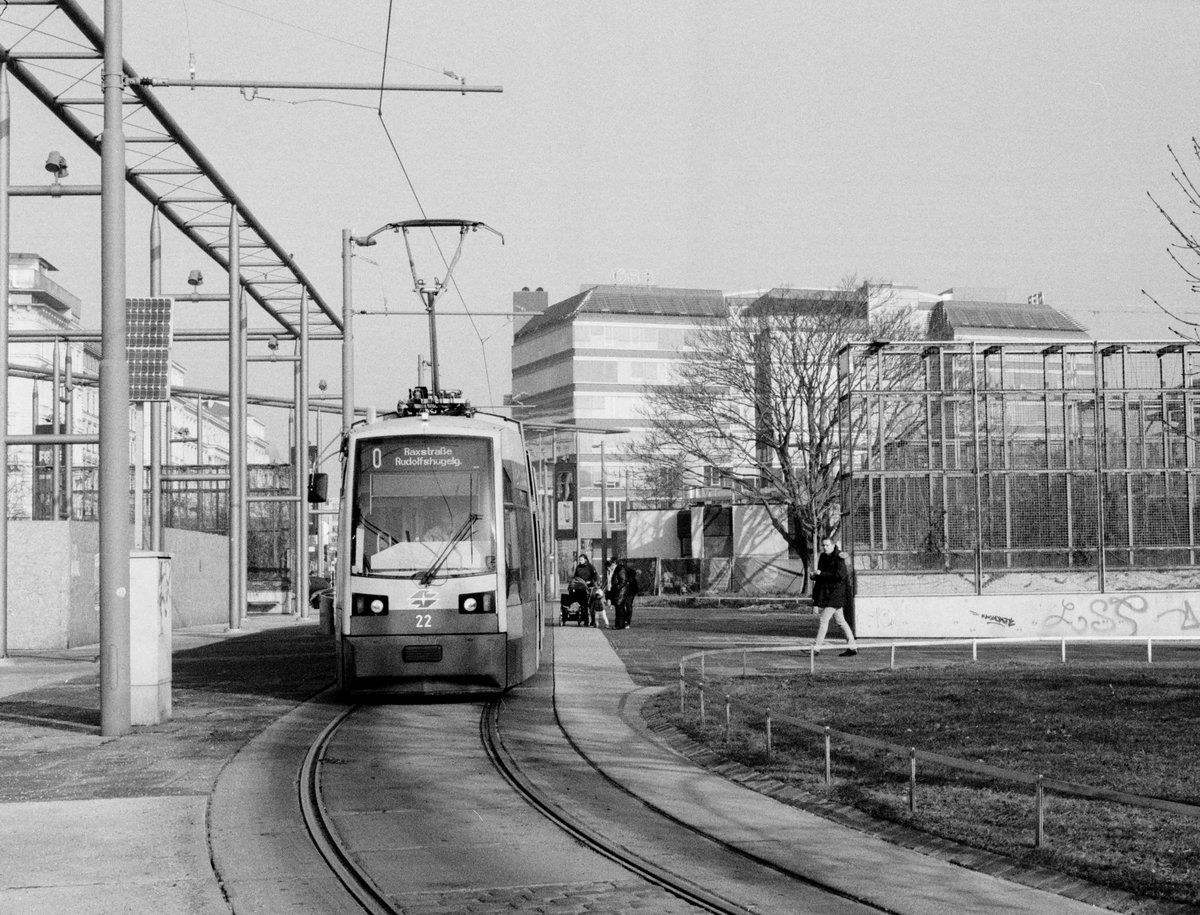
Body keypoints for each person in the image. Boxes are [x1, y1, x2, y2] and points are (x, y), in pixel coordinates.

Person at [811, 537, 857, 656]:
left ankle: (816, 648)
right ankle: (852, 647)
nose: (825, 547)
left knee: (823, 619)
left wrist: (821, 574)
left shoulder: (839, 558)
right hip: (828, 593)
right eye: (823, 545)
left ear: (833, 545)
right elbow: (823, 575)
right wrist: (814, 576)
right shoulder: (823, 557)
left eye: (827, 545)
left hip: (836, 594)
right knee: (840, 621)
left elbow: (839, 576)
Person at [568, 553, 599, 626]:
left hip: (589, 587)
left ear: (585, 559)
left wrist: (591, 581)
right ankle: (585, 620)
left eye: (581, 560)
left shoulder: (590, 567)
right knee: (583, 604)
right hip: (581, 587)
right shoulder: (578, 567)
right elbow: (575, 576)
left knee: (591, 605)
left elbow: (595, 576)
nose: (580, 561)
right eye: (579, 560)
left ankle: (593, 621)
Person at [610, 557, 639, 629]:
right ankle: (623, 622)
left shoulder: (621, 569)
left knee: (627, 605)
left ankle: (626, 622)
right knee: (623, 606)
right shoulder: (622, 568)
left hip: (630, 589)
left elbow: (623, 580)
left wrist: (617, 587)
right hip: (627, 588)